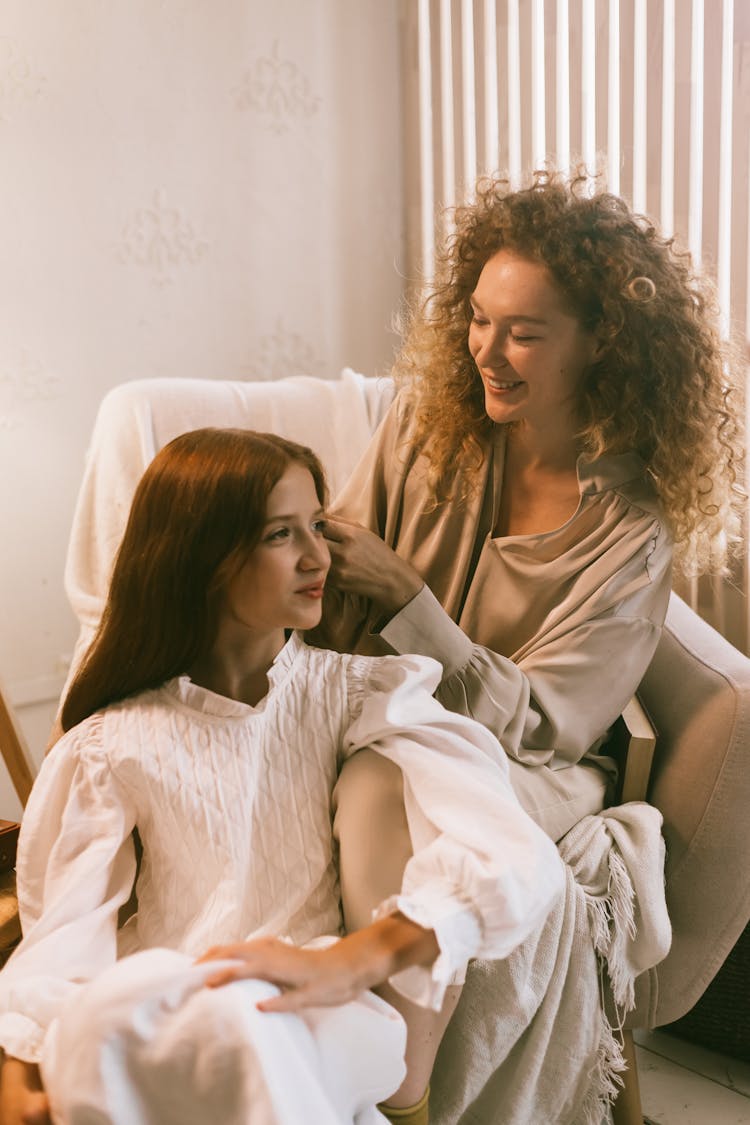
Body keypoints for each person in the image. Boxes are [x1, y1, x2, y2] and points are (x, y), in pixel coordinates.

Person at [0, 428, 563, 1125]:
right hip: (175, 1003)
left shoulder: (361, 695)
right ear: (203, 556)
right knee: (115, 1008)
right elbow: (65, 932)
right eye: (280, 533)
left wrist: (353, 961)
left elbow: (517, 856)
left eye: (317, 526)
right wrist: (19, 1061)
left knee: (233, 1018)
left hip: (324, 1009)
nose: (318, 555)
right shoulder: (112, 741)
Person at [311, 164, 743, 915]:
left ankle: (370, 1015)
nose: (486, 350)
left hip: (535, 763)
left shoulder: (631, 531)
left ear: (602, 341)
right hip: (385, 715)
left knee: (384, 782)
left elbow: (543, 724)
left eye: (524, 334)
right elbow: (336, 569)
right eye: (479, 319)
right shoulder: (425, 425)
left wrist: (408, 601)